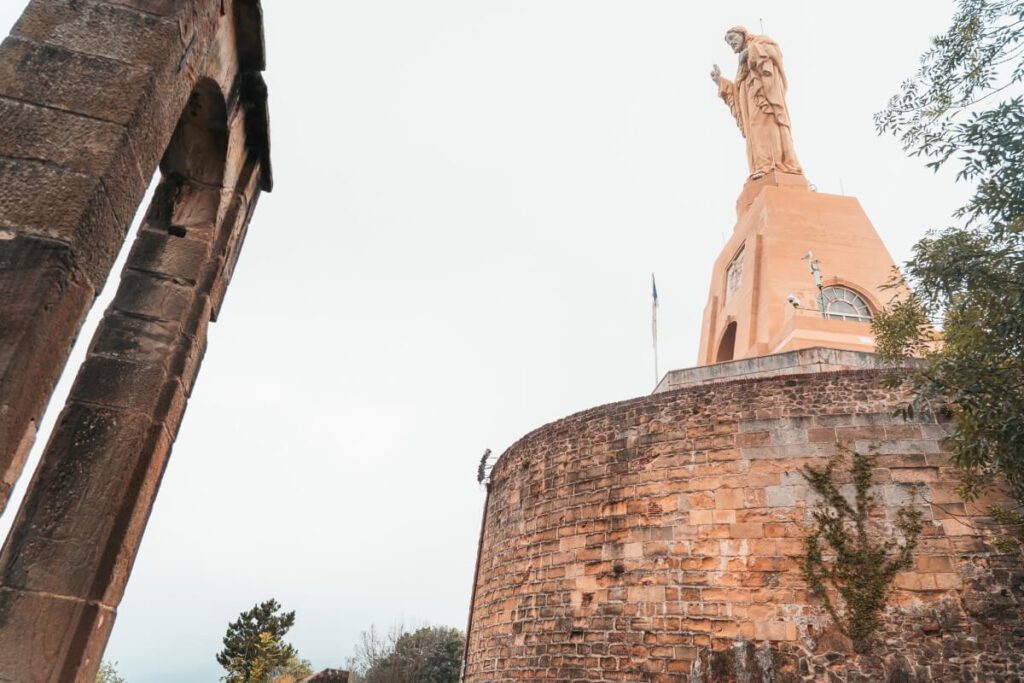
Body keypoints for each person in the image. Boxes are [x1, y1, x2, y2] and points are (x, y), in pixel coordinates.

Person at [711, 26, 802, 179]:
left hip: (765, 102)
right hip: (749, 108)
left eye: (733, 38)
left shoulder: (761, 42)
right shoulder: (741, 69)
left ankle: (774, 165)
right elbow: (736, 93)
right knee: (755, 134)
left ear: (743, 34)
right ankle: (762, 167)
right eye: (728, 42)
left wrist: (750, 51)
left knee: (767, 129)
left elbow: (775, 51)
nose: (731, 43)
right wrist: (719, 81)